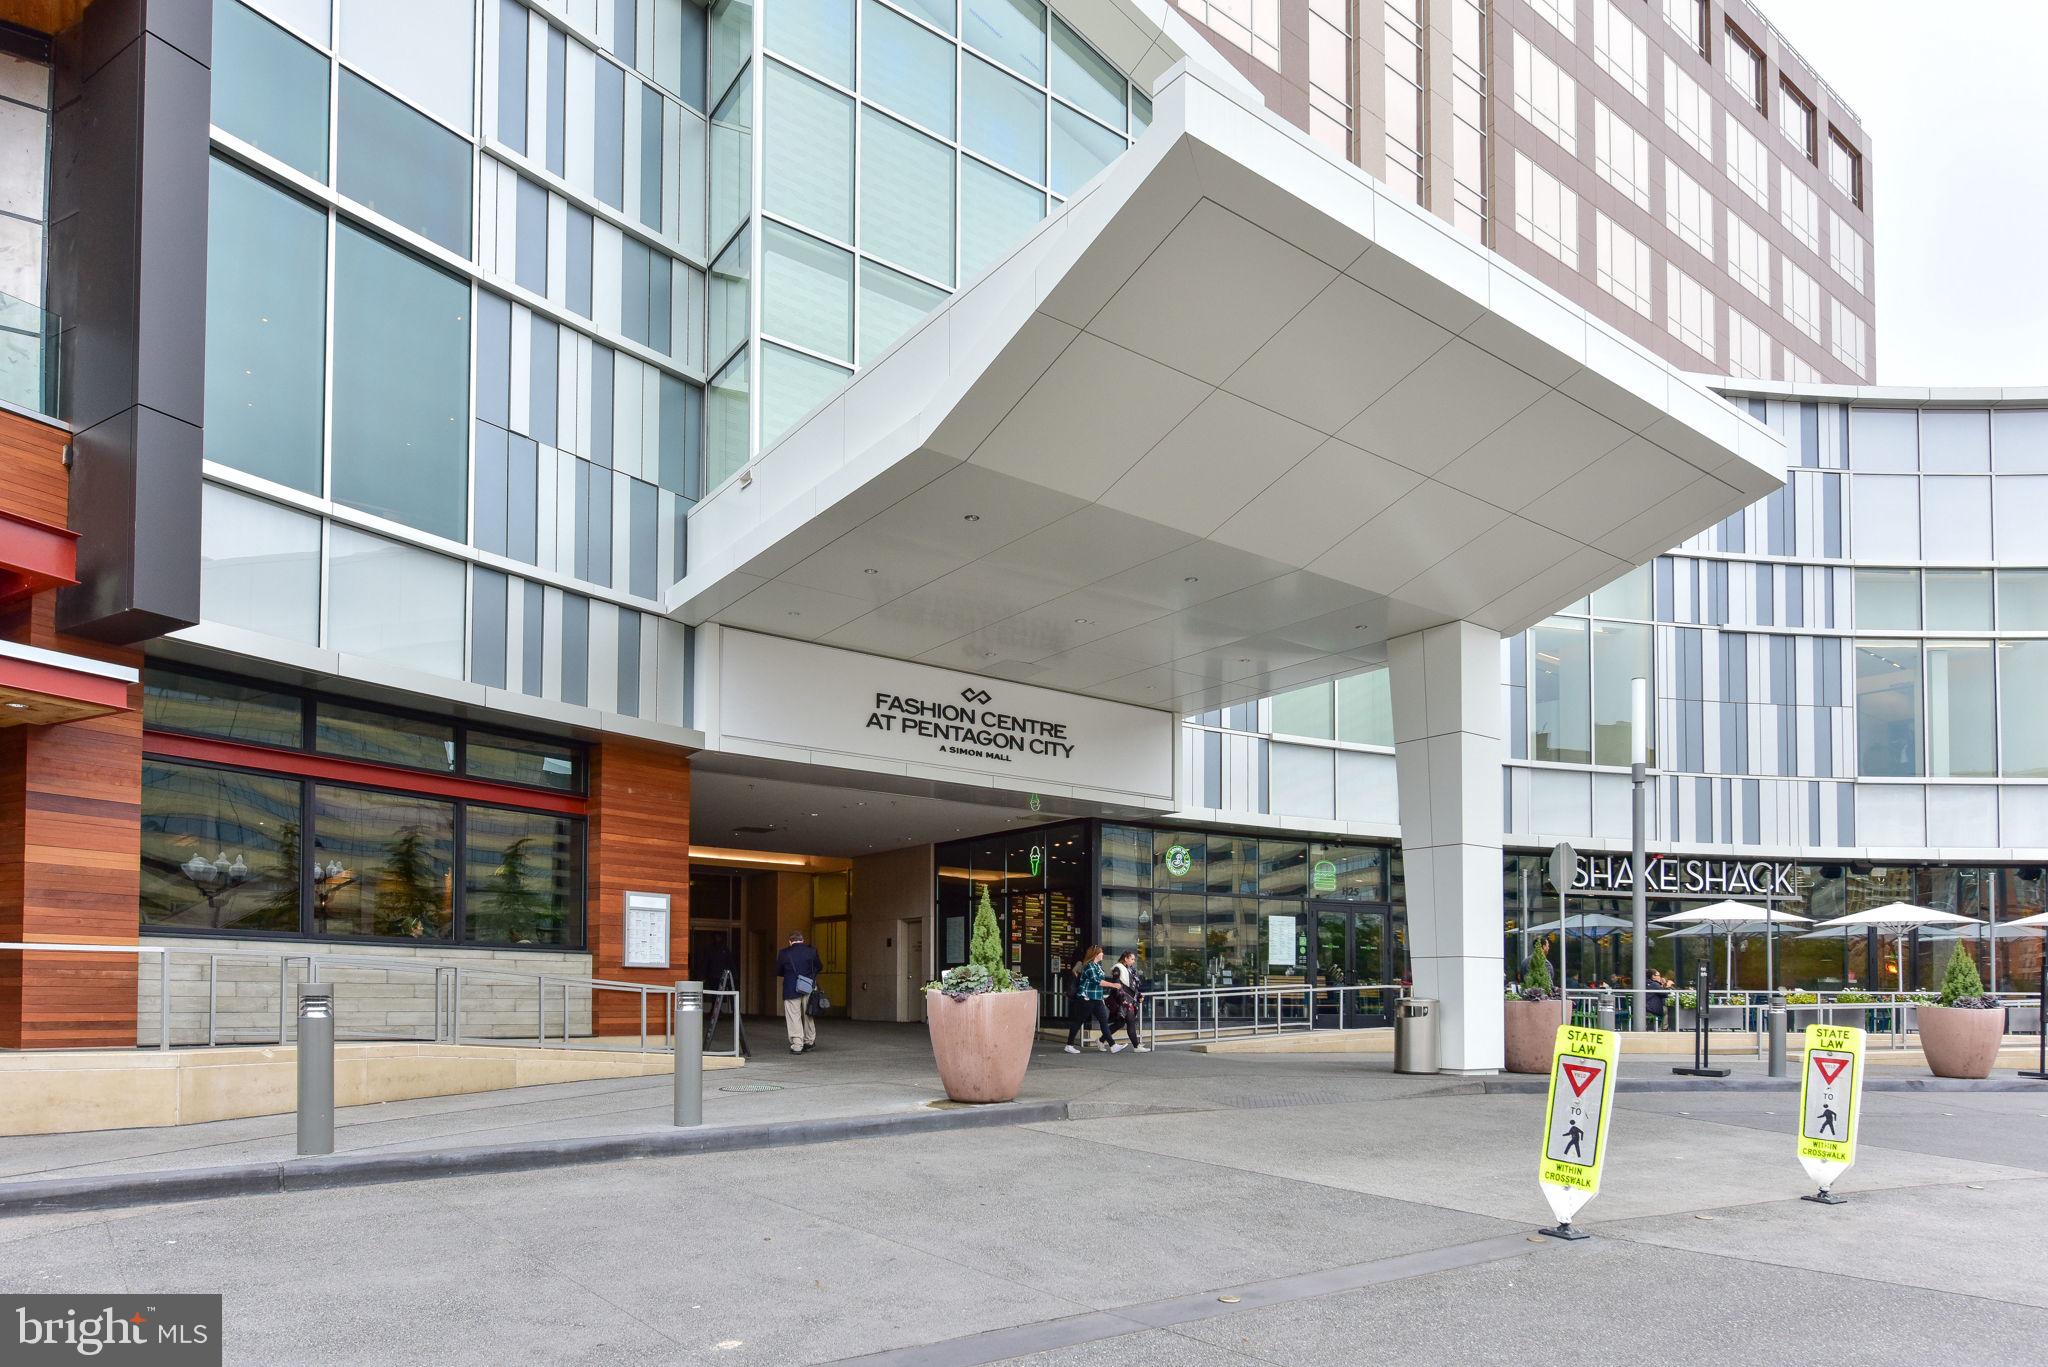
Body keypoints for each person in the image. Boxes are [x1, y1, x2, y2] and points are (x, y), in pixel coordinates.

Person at [774, 931, 823, 1055]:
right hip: (809, 987)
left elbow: (779, 971)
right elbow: (819, 967)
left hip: (791, 987)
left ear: (790, 941)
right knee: (809, 1013)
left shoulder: (784, 953)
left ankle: (797, 1045)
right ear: (802, 940)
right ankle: (809, 1041)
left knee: (793, 1016)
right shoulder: (812, 951)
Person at [1064, 945, 1112, 1054]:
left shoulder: (1097, 966)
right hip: (1087, 998)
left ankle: (1112, 1044)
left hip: (1096, 998)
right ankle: (1069, 1044)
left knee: (1103, 1021)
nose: (1103, 954)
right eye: (1101, 952)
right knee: (1078, 1021)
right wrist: (1113, 985)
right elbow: (1096, 981)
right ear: (1095, 954)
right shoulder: (1089, 966)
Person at [1104, 951, 1148, 1054]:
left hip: (1129, 1000)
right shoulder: (1118, 968)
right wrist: (1123, 1000)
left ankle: (1101, 1040)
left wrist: (1138, 996)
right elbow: (1117, 986)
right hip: (1123, 1001)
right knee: (1130, 1022)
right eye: (1132, 959)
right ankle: (1136, 1046)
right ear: (1125, 958)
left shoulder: (1130, 969)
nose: (1133, 961)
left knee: (1120, 1023)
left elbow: (1133, 987)